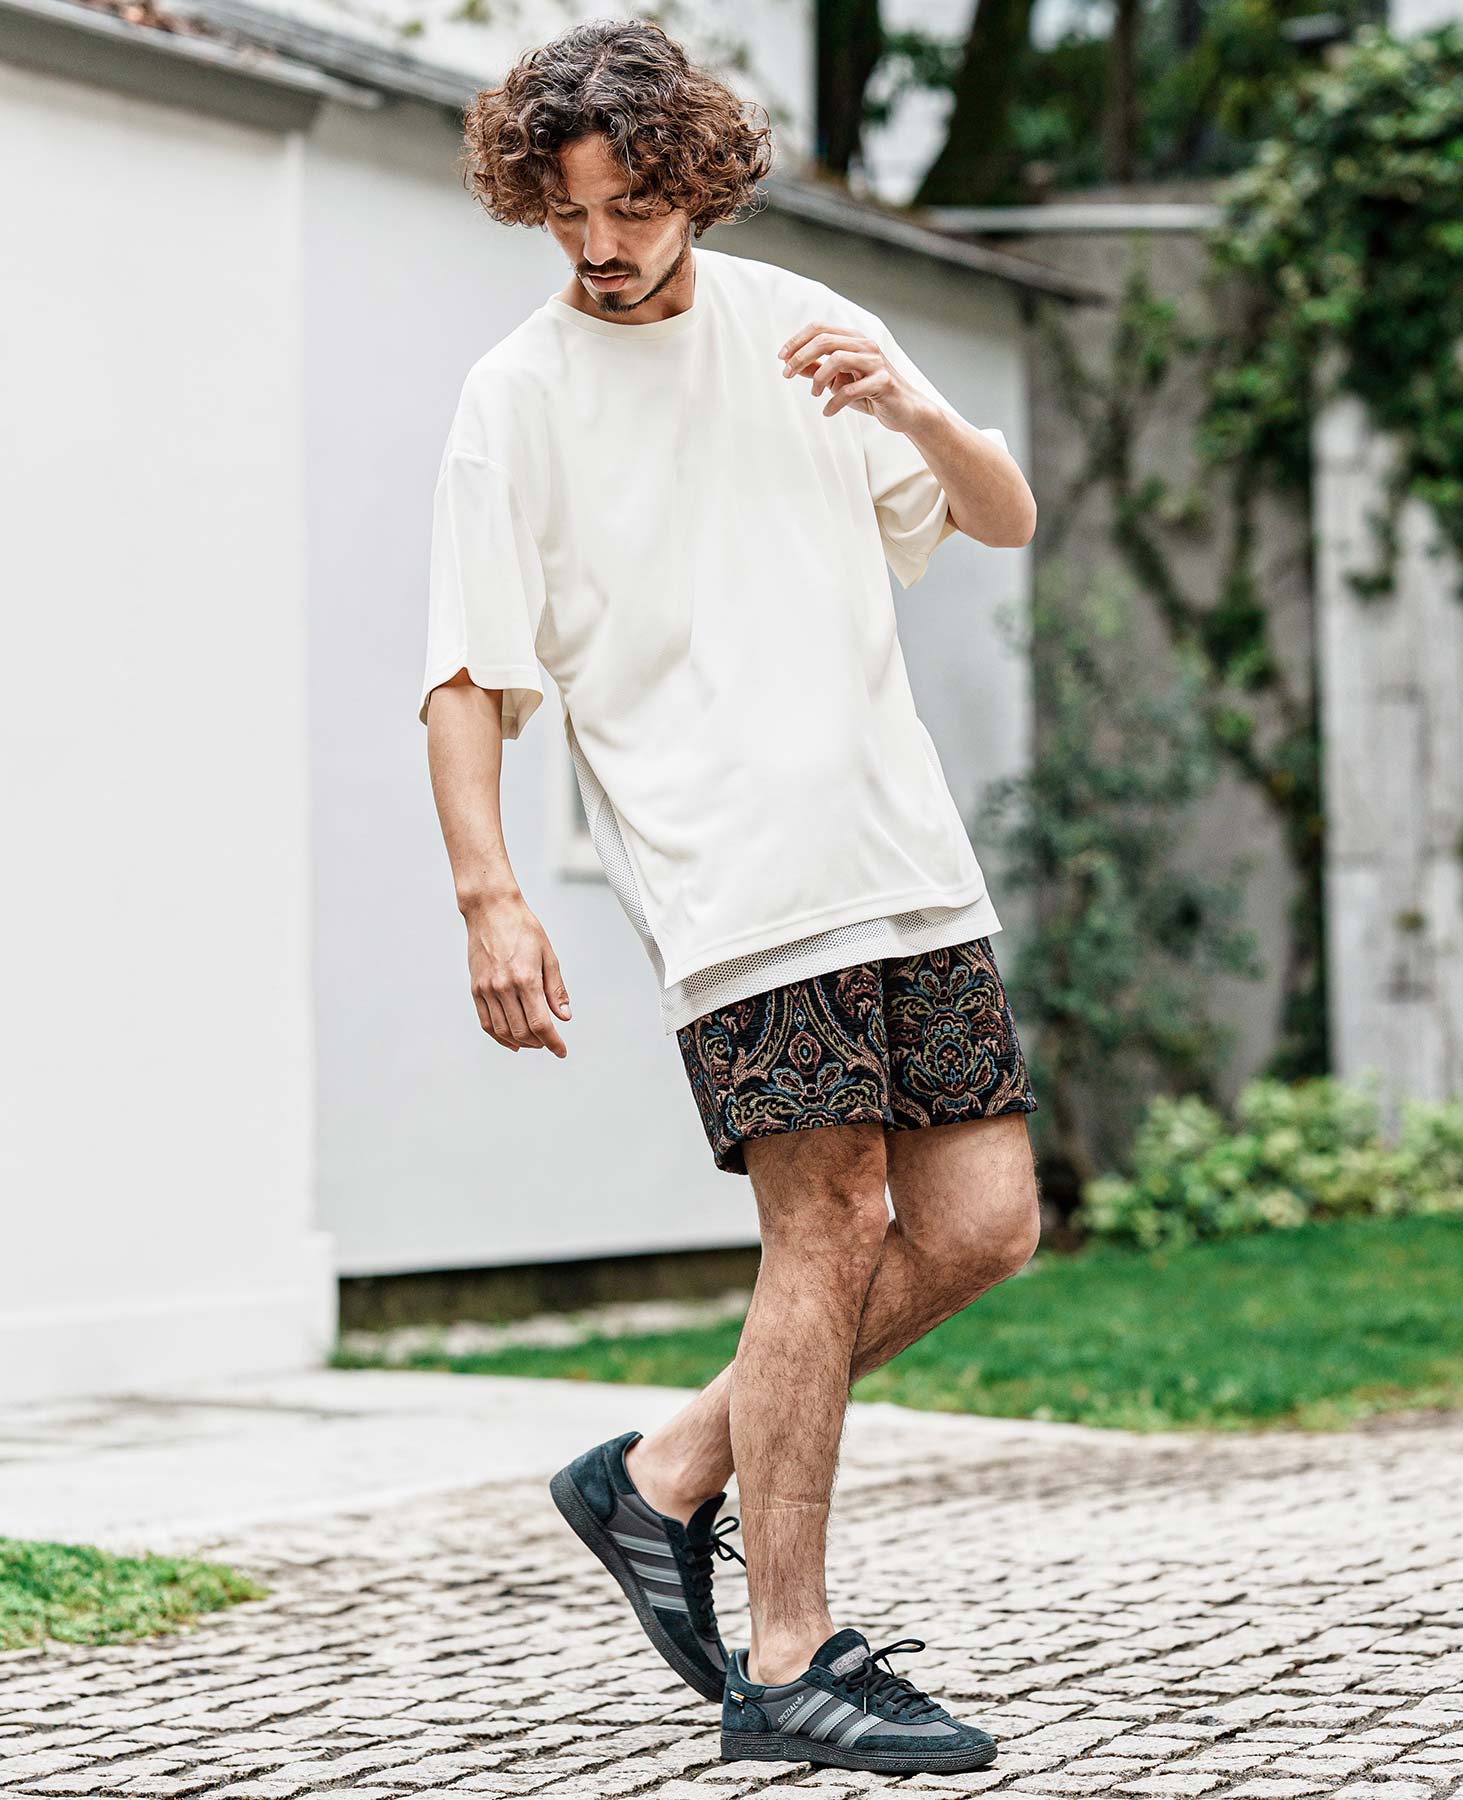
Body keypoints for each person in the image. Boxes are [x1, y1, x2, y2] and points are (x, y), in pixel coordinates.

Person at [420, 17, 1042, 1778]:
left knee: (986, 1225)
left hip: (905, 862)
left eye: (628, 207)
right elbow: (465, 674)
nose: (598, 245)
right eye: (565, 213)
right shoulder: (517, 398)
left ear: (694, 181)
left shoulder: (799, 329)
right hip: (737, 883)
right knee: (825, 1231)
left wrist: (915, 408)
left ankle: (665, 1475)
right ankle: (789, 1658)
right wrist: (490, 895)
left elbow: (1000, 517)